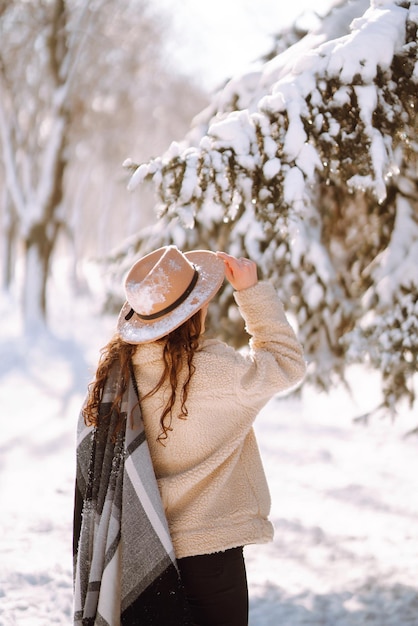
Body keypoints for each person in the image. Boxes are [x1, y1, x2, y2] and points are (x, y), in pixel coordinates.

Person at [73, 245, 306, 626]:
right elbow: (286, 361)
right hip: (212, 553)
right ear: (195, 310)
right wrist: (250, 291)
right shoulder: (215, 372)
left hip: (141, 550)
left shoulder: (113, 379)